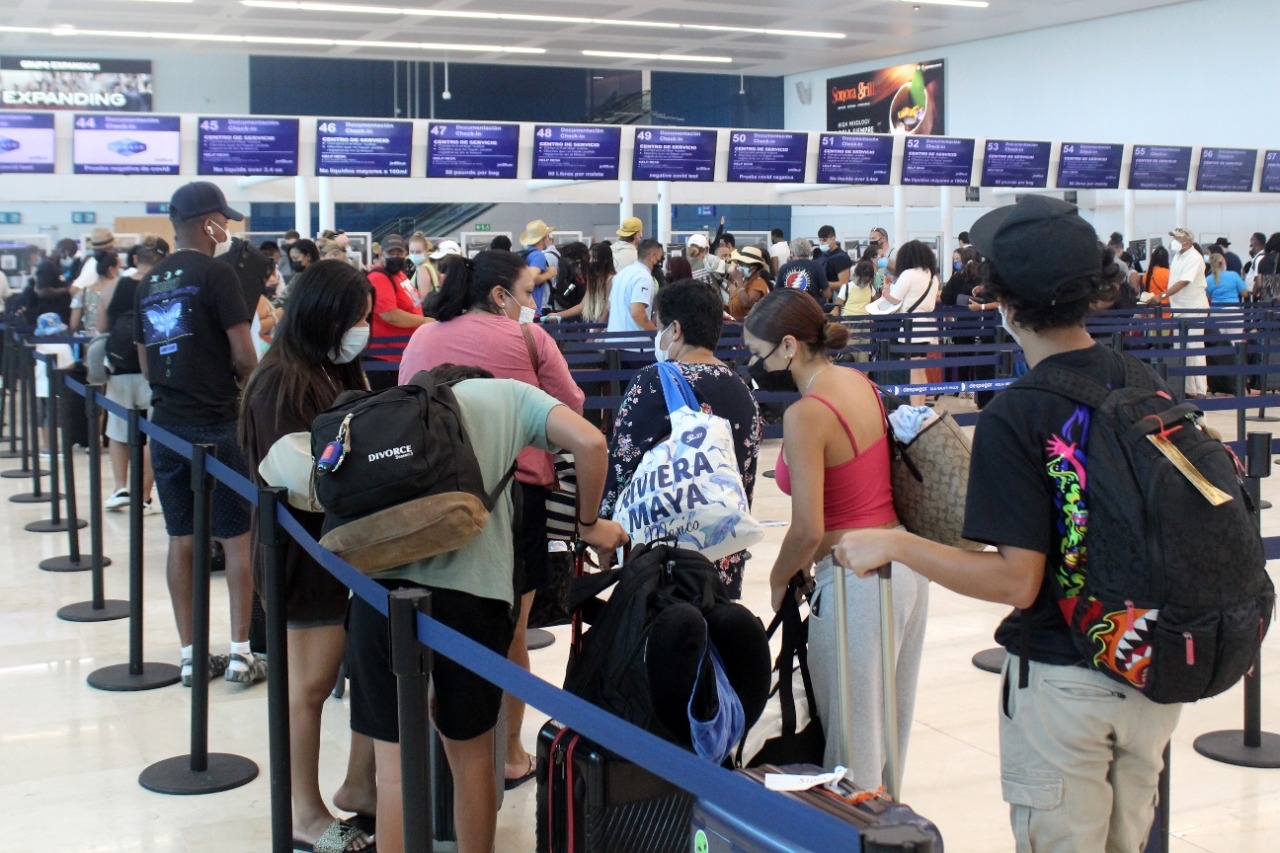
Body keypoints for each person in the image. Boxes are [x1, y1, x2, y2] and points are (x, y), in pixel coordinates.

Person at [832, 195, 1181, 852]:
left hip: (1065, 684)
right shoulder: (1145, 379)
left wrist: (898, 542)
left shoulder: (1017, 413)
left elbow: (1018, 579)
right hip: (1149, 669)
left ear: (1003, 302)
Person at [347, 361, 627, 853]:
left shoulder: (397, 404)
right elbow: (591, 443)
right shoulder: (511, 397)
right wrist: (587, 524)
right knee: (472, 760)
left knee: (393, 773)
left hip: (377, 599)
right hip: (470, 603)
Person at [397, 250, 585, 792]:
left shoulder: (424, 338)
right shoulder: (530, 340)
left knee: (437, 625)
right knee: (510, 634)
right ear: (500, 294)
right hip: (514, 496)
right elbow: (571, 407)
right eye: (527, 293)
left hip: (431, 497)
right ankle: (508, 755)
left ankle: (444, 752)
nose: (531, 304)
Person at [742, 288, 927, 791]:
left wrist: (780, 578)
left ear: (787, 347)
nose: (753, 365)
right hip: (904, 566)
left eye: (756, 354)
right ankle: (891, 840)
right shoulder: (859, 382)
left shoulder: (808, 413)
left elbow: (808, 528)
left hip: (855, 581)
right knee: (888, 739)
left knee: (853, 754)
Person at [240, 260, 376, 853]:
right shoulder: (281, 383)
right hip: (302, 550)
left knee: (351, 673)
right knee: (309, 687)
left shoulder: (330, 368)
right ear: (325, 315)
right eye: (358, 318)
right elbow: (299, 473)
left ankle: (361, 786)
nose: (364, 328)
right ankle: (302, 810)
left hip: (343, 547)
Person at [133, 181, 263, 686]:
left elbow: (146, 363)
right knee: (237, 539)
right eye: (223, 220)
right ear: (208, 222)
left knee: (181, 538)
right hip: (217, 425)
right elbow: (244, 354)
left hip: (166, 425)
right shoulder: (218, 273)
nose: (227, 228)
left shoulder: (149, 282)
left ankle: (190, 656)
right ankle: (238, 653)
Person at [600, 278, 761, 597]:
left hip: (660, 555)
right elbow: (744, 480)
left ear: (675, 330)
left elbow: (622, 463)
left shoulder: (652, 381)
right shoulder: (743, 391)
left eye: (659, 327)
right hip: (721, 548)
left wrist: (603, 527)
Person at [103, 236, 166, 511]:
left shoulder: (115, 285)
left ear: (135, 258)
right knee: (154, 434)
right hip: (155, 368)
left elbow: (101, 326)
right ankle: (143, 495)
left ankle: (120, 487)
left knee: (118, 431)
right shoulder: (165, 284)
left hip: (119, 366)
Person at [868, 240, 941, 405]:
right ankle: (920, 405)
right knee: (920, 370)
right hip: (928, 325)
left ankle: (915, 409)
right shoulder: (932, 277)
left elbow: (894, 300)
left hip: (911, 327)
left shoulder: (908, 274)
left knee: (913, 370)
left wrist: (886, 290)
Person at [366, 233, 430, 387]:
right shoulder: (379, 277)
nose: (395, 256)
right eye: (391, 253)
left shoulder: (399, 274)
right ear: (381, 255)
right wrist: (425, 321)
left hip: (399, 355)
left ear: (405, 253)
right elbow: (391, 315)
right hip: (384, 357)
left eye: (399, 253)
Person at [1166, 227, 1209, 398]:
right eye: (1174, 237)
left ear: (1188, 240)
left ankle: (1201, 389)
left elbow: (1184, 282)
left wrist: (1162, 295)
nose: (1175, 240)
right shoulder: (1177, 256)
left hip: (1194, 308)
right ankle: (1188, 388)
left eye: (1178, 237)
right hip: (1179, 308)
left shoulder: (1195, 258)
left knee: (1194, 347)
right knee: (1181, 348)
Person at [606, 238, 663, 341]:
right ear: (653, 256)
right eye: (659, 258)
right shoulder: (643, 277)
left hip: (613, 341)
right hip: (634, 344)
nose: (660, 262)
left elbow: (609, 306)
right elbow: (637, 312)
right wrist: (657, 333)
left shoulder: (622, 274)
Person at [549, 241, 612, 324]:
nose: (590, 261)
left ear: (605, 260)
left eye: (594, 257)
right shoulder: (594, 280)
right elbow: (583, 305)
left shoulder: (613, 280)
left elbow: (607, 310)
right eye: (590, 257)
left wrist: (594, 333)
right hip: (597, 326)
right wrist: (558, 315)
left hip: (606, 327)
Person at [777, 237, 830, 306]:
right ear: (809, 250)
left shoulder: (784, 268)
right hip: (812, 309)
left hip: (789, 310)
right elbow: (827, 294)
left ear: (792, 252)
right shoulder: (817, 266)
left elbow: (777, 294)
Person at [518, 219, 558, 311]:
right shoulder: (538, 255)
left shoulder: (526, 253)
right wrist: (550, 273)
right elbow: (531, 279)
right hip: (532, 308)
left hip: (521, 307)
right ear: (544, 238)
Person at [726, 245, 772, 321]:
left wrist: (739, 280)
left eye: (742, 264)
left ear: (753, 268)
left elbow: (746, 303)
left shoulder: (759, 283)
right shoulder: (744, 282)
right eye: (739, 264)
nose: (739, 267)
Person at [686, 232, 727, 297]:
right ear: (706, 249)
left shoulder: (685, 265)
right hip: (714, 303)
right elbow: (730, 269)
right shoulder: (709, 259)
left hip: (695, 303)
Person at [816, 225, 854, 297]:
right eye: (820, 240)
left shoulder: (841, 258)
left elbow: (844, 283)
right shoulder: (822, 255)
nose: (821, 243)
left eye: (824, 240)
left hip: (836, 297)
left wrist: (823, 284)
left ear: (833, 239)